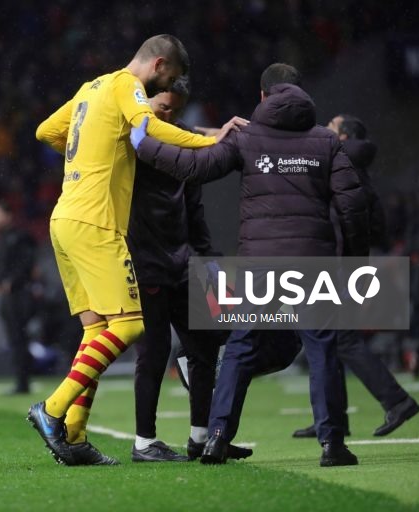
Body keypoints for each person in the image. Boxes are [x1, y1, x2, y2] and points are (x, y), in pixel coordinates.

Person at [130, 63, 369, 467]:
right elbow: (352, 204)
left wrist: (142, 142)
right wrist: (355, 264)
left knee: (240, 348)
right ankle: (332, 445)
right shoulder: (327, 141)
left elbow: (195, 167)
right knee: (321, 351)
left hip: (260, 264)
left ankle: (217, 438)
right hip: (313, 264)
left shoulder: (249, 139)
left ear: (262, 97)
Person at [30, 34, 245, 466]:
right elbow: (153, 129)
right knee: (129, 326)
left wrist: (92, 150)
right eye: (172, 78)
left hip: (64, 217)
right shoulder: (127, 84)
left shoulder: (92, 88)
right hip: (96, 221)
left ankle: (73, 435)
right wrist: (215, 141)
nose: (163, 89)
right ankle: (53, 410)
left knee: (96, 330)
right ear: (160, 65)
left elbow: (46, 131)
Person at [127, 78, 253, 462]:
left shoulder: (181, 140)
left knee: (204, 345)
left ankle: (201, 436)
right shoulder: (130, 140)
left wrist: (210, 262)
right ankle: (144, 443)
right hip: (145, 262)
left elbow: (194, 209)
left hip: (182, 263)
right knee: (155, 350)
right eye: (163, 108)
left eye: (176, 110)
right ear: (145, 103)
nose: (169, 116)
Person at [291, 115, 419, 438]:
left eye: (332, 127)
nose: (324, 129)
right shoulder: (356, 169)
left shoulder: (340, 166)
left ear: (345, 137)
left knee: (341, 339)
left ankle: (397, 401)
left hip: (335, 263)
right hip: (345, 262)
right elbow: (376, 223)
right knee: (331, 341)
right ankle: (334, 419)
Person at [0, 201, 38, 395]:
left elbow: (27, 263)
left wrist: (12, 281)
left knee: (19, 337)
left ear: (7, 215)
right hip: (8, 296)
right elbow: (0, 266)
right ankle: (21, 380)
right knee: (15, 338)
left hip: (20, 294)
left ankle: (24, 381)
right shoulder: (1, 238)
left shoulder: (20, 236)